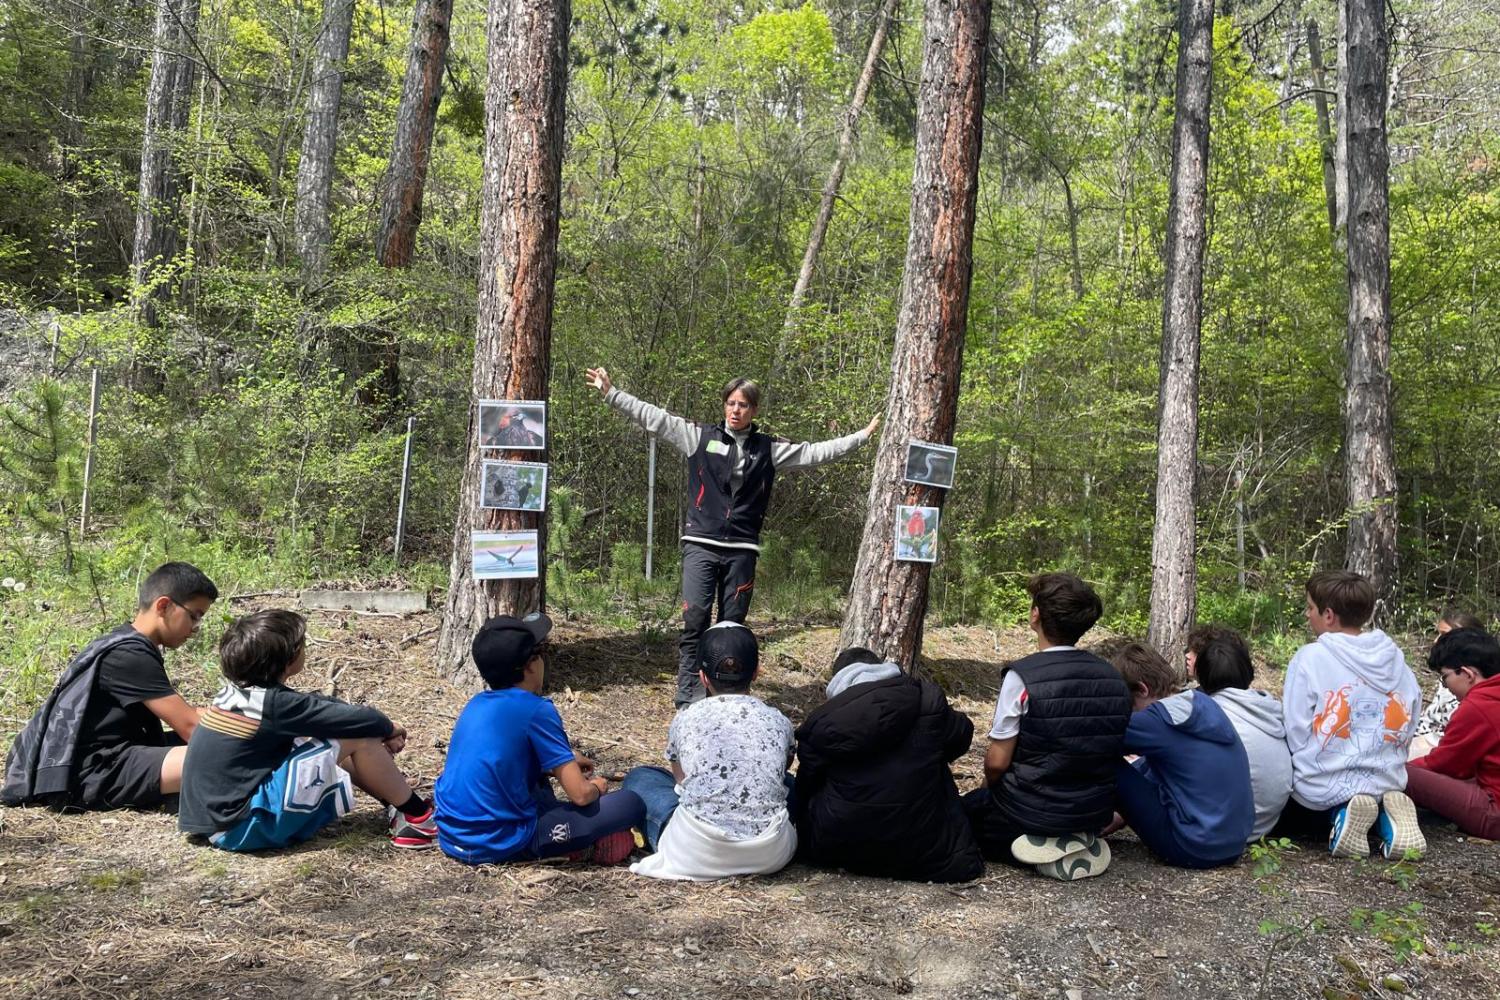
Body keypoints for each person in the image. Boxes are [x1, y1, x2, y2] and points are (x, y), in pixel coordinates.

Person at [586, 367, 878, 706]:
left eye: (742, 405)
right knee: (694, 620)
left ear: (753, 410)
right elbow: (655, 418)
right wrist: (612, 393)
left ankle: (724, 697)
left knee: (731, 628)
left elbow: (815, 453)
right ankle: (688, 698)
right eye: (730, 403)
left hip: (742, 549)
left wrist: (861, 436)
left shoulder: (768, 449)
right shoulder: (698, 436)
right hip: (701, 544)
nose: (735, 410)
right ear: (724, 405)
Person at [179, 610, 437, 851]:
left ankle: (395, 804)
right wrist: (391, 727)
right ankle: (417, 818)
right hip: (241, 827)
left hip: (211, 823)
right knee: (357, 735)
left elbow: (322, 708)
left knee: (326, 731)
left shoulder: (242, 696)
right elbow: (363, 721)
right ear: (289, 658)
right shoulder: (276, 706)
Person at [3, 563, 217, 812]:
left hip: (107, 758)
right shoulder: (130, 654)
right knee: (219, 754)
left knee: (223, 742)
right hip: (92, 773)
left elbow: (189, 718)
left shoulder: (124, 642)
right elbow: (193, 729)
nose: (194, 629)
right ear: (163, 605)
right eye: (194, 616)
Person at [961, 573, 1132, 881]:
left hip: (1029, 809)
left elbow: (997, 763)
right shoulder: (1113, 677)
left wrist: (989, 787)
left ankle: (1035, 849)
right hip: (1092, 812)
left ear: (1035, 615)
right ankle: (1075, 840)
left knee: (962, 813)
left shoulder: (1021, 676)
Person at [435, 614, 643, 865]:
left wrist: (562, 762)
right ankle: (575, 847)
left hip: (451, 837)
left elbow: (501, 761)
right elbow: (580, 795)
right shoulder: (537, 709)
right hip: (501, 843)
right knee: (631, 803)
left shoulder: (475, 704)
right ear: (530, 665)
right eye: (543, 652)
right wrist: (596, 788)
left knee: (541, 788)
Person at [621, 622, 797, 880]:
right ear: (757, 672)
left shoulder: (686, 717)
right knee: (790, 783)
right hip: (770, 853)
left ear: (702, 676)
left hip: (696, 853)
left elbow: (681, 783)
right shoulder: (778, 720)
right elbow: (781, 772)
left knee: (640, 778)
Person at [793, 647, 983, 883]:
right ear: (881, 668)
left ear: (837, 682)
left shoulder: (822, 720)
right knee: (933, 757)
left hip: (841, 844)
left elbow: (805, 786)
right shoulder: (925, 699)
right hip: (927, 846)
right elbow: (962, 736)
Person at [1276, 571, 1425, 859]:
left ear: (1328, 615)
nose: (1308, 615)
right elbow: (1409, 722)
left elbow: (1295, 729)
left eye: (1310, 608)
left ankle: (1343, 814)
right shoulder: (1398, 663)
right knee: (1376, 795)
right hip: (1385, 780)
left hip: (1320, 789)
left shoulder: (1310, 658)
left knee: (1285, 815)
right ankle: (1387, 820)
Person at [1107, 643, 1254, 868]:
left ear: (1142, 690)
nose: (1131, 715)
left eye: (1129, 706)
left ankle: (1070, 827)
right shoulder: (1202, 704)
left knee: (1106, 762)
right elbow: (1159, 765)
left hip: (1192, 847)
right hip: (1233, 845)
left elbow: (1093, 740)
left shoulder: (1157, 720)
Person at [1189, 632, 1293, 842]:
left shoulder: (1208, 714)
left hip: (1224, 827)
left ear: (1202, 676)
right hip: (1267, 823)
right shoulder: (1268, 708)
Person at [1405, 628, 1500, 840]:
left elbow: (1445, 765)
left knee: (1399, 773)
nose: (1446, 687)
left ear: (1467, 674)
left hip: (1495, 814)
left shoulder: (1478, 705)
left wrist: (1396, 767)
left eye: (1444, 677)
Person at [1410, 609, 1486, 760]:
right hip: (1424, 739)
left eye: (1444, 636)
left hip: (1441, 748)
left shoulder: (1472, 679)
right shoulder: (1450, 672)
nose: (1436, 641)